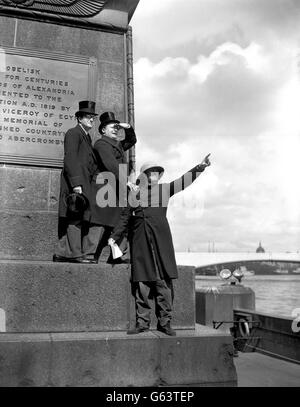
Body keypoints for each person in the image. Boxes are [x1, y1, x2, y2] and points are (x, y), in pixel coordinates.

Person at [109, 154, 211, 336]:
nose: (154, 174)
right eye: (150, 172)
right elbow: (124, 217)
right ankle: (143, 323)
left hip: (160, 241)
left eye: (157, 172)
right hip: (140, 242)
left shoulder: (165, 190)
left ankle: (165, 323)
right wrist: (114, 237)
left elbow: (183, 181)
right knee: (142, 284)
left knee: (163, 283)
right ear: (144, 175)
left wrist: (200, 167)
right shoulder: (135, 194)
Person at [86, 111, 137, 262]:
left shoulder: (118, 145)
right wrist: (126, 180)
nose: (116, 129)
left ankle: (117, 255)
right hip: (104, 188)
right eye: (112, 127)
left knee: (119, 222)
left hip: (115, 188)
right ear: (103, 130)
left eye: (117, 127)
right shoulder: (101, 144)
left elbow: (132, 139)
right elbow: (111, 164)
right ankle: (89, 254)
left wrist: (126, 127)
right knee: (99, 222)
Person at [53, 100, 99, 264]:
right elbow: (70, 158)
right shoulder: (73, 133)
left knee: (76, 216)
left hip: (83, 182)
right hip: (75, 183)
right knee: (75, 217)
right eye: (88, 117)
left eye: (93, 117)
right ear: (79, 118)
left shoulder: (86, 137)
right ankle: (74, 253)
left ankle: (63, 252)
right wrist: (76, 184)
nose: (91, 120)